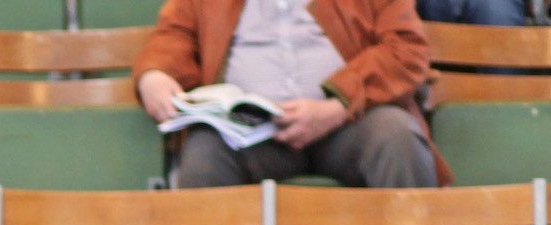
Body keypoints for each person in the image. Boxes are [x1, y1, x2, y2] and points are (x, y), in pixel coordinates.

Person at [135, 0, 450, 189]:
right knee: (204, 153)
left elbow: (407, 49)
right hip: (250, 133)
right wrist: (154, 74)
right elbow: (174, 34)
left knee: (396, 135)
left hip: (350, 121)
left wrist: (339, 104)